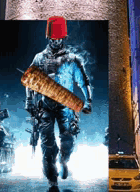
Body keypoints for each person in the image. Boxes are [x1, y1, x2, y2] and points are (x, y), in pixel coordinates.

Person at [25, 16, 93, 190]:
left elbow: (83, 82)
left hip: (67, 107)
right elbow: (30, 79)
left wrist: (88, 100)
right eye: (53, 39)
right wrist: (29, 101)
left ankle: (64, 160)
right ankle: (52, 180)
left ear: (64, 38)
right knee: (47, 146)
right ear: (48, 38)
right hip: (45, 106)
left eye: (59, 39)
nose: (56, 42)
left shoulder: (72, 59)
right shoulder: (39, 58)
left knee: (68, 140)